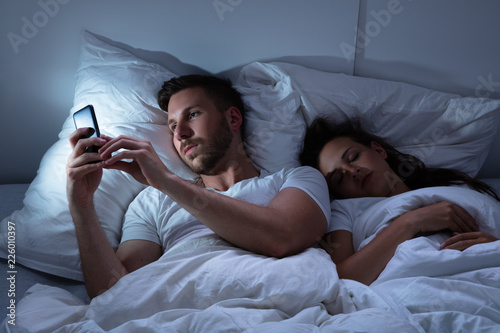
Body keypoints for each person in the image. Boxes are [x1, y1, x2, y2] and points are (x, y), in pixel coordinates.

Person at [66, 75, 331, 298]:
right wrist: (82, 207)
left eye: (192, 115)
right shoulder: (152, 202)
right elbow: (113, 295)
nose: (179, 133)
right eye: (172, 126)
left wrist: (168, 182)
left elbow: (281, 238)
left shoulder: (296, 179)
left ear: (233, 119)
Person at [300, 117, 500, 285]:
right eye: (339, 178)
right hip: (412, 287)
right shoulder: (343, 211)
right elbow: (342, 280)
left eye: (353, 157)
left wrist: (493, 246)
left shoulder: (453, 187)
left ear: (378, 151)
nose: (353, 172)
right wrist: (411, 222)